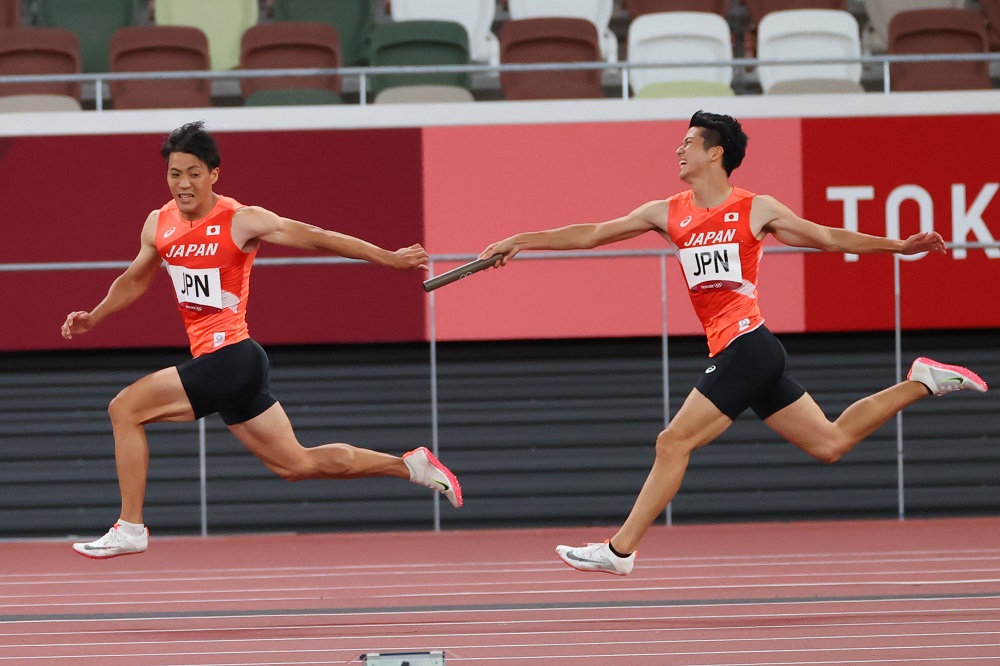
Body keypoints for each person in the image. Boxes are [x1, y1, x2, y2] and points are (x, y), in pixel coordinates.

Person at [479, 110, 988, 576]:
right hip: (737, 353)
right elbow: (591, 233)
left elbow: (828, 239)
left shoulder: (755, 208)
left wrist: (898, 246)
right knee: (830, 443)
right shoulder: (667, 212)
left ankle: (619, 551)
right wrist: (522, 239)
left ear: (714, 152)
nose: (678, 151)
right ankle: (922, 382)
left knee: (671, 442)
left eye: (687, 143)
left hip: (749, 344)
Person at [62, 121, 462, 559]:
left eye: (193, 172)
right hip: (228, 364)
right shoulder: (158, 224)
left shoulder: (241, 219)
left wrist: (388, 258)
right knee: (296, 464)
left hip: (233, 357)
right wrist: (95, 316)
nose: (183, 184)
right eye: (175, 174)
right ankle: (410, 466)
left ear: (214, 174)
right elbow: (135, 279)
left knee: (124, 409)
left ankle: (131, 526)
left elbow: (317, 237)